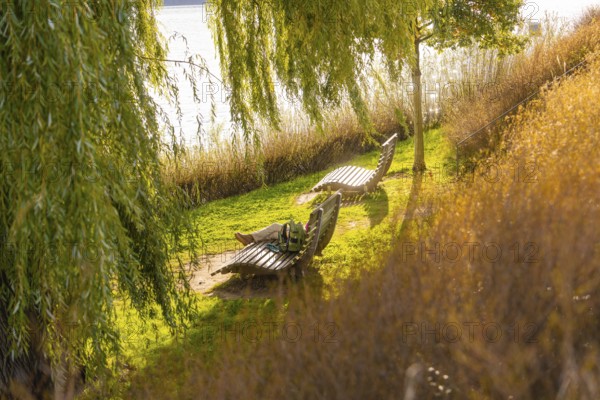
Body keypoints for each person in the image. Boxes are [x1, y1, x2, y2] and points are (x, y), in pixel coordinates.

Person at [235, 221, 309, 246]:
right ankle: (251, 239)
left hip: (297, 237)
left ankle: (250, 238)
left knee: (275, 226)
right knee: (273, 234)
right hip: (297, 237)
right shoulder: (318, 218)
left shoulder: (316, 215)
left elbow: (305, 231)